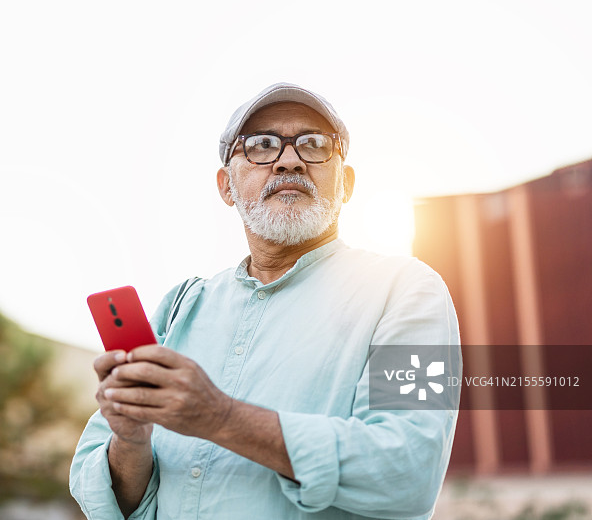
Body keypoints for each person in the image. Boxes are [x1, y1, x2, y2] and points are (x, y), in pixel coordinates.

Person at [70, 82, 460, 520]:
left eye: (314, 144)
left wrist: (219, 418)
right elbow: (103, 498)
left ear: (346, 183)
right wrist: (131, 439)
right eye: (260, 145)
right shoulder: (181, 307)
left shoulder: (408, 292)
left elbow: (408, 468)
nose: (289, 160)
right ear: (226, 186)